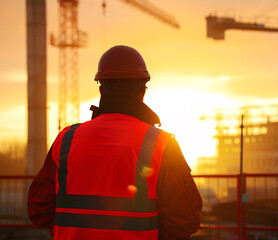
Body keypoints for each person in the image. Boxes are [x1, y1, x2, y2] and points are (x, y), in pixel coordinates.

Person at [28, 45, 202, 239]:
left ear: (102, 90)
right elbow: (185, 219)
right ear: (142, 92)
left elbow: (38, 209)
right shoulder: (160, 144)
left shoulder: (66, 139)